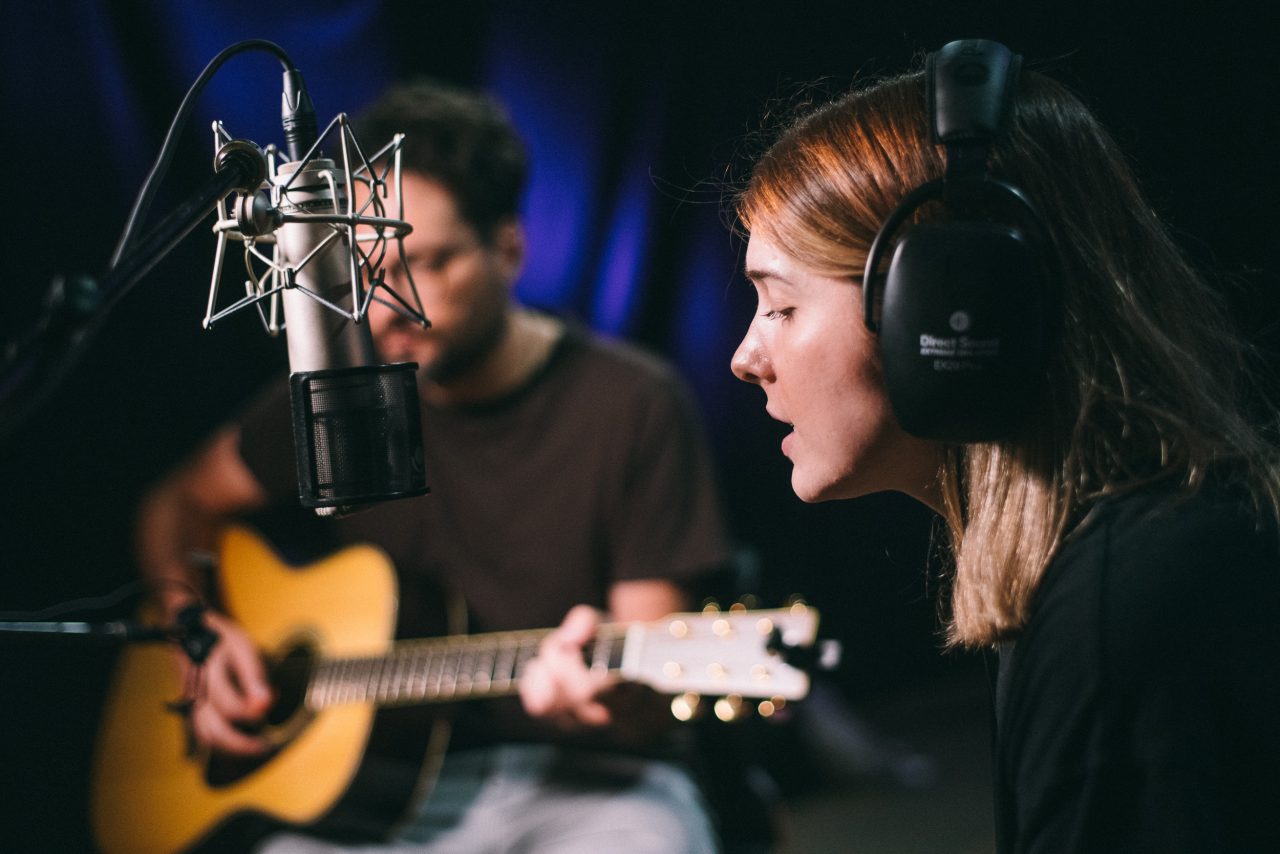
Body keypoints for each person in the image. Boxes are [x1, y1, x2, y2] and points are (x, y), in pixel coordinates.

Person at [134, 78, 731, 853]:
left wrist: (609, 698)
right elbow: (175, 505)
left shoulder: (634, 405)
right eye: (362, 269)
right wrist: (195, 630)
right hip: (378, 795)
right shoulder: (338, 395)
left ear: (508, 247)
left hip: (592, 781)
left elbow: (650, 680)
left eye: (424, 262)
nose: (384, 304)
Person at [726, 40, 1280, 853]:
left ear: (947, 304)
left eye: (780, 307)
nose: (744, 358)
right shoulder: (1098, 565)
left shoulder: (1120, 612)